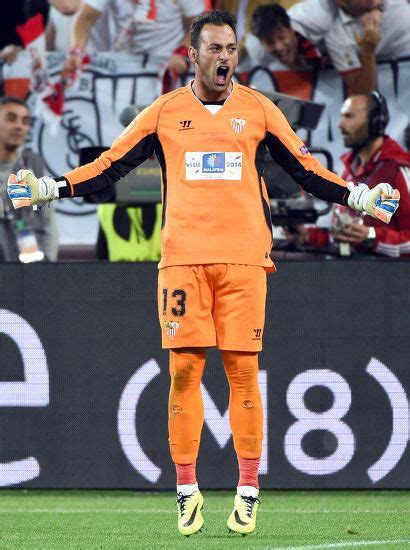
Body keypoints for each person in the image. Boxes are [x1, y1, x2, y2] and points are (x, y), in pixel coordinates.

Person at [6, 10, 399, 536]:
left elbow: (307, 168)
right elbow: (110, 165)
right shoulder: (166, 113)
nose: (225, 58)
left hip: (243, 262)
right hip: (183, 262)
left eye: (231, 49)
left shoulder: (259, 110)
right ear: (193, 56)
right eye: (214, 48)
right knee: (184, 373)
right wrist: (48, 188)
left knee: (242, 375)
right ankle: (187, 490)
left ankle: (248, 489)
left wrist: (361, 196)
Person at [249, 2, 383, 94]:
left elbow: (364, 91)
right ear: (261, 43)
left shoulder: (321, 19)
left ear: (291, 29)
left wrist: (377, 8)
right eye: (270, 42)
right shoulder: (257, 52)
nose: (278, 46)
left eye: (281, 37)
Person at [0, 96, 58, 261]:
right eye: (11, 119)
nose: (19, 126)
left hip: (30, 269)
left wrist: (48, 268)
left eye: (25, 121)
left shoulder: (35, 165)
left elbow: (49, 223)